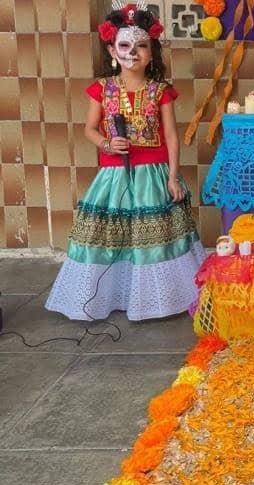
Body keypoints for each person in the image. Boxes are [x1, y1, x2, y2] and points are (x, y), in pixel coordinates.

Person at [46, 1, 205, 321]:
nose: (133, 52)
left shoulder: (161, 91)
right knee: (109, 235)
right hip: (115, 173)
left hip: (155, 173)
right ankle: (108, 294)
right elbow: (90, 129)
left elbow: (172, 136)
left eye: (142, 45)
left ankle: (159, 299)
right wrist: (106, 142)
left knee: (156, 238)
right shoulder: (101, 90)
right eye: (125, 45)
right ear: (111, 51)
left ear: (152, 52)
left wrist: (173, 177)